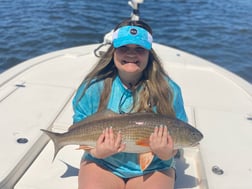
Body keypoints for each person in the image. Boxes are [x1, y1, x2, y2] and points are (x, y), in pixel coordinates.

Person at [72, 19, 187, 189]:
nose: (131, 54)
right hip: (104, 163)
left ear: (149, 54)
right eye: (123, 48)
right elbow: (79, 127)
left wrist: (166, 153)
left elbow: (179, 131)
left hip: (155, 167)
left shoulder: (169, 90)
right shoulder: (93, 88)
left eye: (139, 49)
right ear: (113, 52)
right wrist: (97, 152)